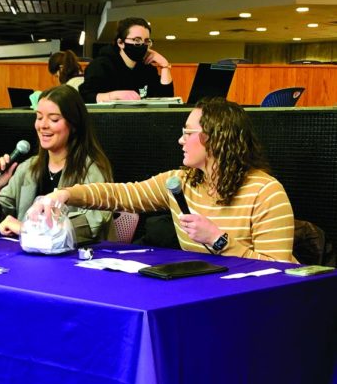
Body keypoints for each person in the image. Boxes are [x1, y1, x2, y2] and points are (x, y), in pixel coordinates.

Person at [29, 97, 296, 262]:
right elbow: (122, 195)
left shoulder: (265, 192)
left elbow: (278, 270)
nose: (180, 140)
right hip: (208, 295)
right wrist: (63, 194)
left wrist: (218, 240)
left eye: (187, 132)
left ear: (215, 139)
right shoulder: (182, 181)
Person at [0, 84, 114, 242]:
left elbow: (91, 225)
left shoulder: (91, 169)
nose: (43, 125)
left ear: (74, 125)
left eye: (54, 119)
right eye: (39, 117)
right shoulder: (27, 168)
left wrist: (26, 230)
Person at [79, 17, 174, 103]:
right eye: (137, 40)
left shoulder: (147, 68)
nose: (142, 45)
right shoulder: (100, 66)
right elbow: (84, 97)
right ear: (121, 43)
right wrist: (113, 96)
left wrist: (164, 65)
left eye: (146, 41)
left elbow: (167, 100)